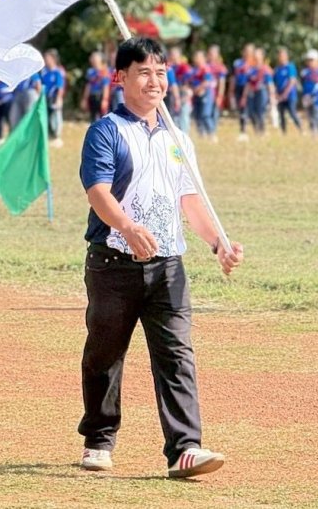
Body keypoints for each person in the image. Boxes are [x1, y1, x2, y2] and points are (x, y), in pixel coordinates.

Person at [77, 37, 242, 479]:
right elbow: (98, 192)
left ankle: (185, 448)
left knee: (176, 355)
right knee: (105, 354)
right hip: (113, 263)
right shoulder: (106, 131)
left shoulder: (178, 138)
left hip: (169, 266)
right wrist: (127, 228)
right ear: (120, 77)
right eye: (144, 72)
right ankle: (99, 438)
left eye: (161, 73)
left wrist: (218, 243)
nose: (154, 81)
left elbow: (191, 200)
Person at [241, 48, 273, 136]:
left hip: (262, 92)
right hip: (252, 93)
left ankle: (262, 131)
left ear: (262, 56)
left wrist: (272, 96)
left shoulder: (265, 69)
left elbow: (270, 84)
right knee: (251, 112)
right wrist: (244, 96)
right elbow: (248, 84)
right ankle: (256, 130)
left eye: (258, 54)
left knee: (260, 112)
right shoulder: (251, 69)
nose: (255, 56)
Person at [188, 50, 218, 142]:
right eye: (195, 57)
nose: (196, 59)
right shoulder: (193, 70)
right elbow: (190, 81)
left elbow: (207, 81)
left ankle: (212, 134)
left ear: (203, 58)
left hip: (206, 93)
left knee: (205, 114)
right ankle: (201, 134)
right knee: (197, 115)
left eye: (198, 57)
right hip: (196, 94)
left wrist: (198, 89)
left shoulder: (205, 68)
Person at [300, 50, 318, 135]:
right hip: (307, 96)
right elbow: (303, 83)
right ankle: (314, 133)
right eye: (308, 60)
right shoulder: (305, 72)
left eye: (312, 60)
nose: (310, 62)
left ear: (317, 60)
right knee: (310, 115)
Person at [273, 47, 301, 133]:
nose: (280, 58)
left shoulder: (290, 67)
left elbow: (292, 81)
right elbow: (274, 83)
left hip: (290, 95)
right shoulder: (277, 69)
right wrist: (277, 94)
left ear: (286, 56)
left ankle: (300, 129)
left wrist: (285, 94)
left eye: (282, 56)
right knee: (281, 114)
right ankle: (283, 132)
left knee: (292, 112)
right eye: (279, 56)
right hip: (280, 95)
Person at [42, 50, 67, 146]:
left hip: (54, 97)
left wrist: (58, 99)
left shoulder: (58, 72)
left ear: (53, 59)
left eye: (48, 58)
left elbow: (60, 87)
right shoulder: (45, 72)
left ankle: (57, 137)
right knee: (47, 116)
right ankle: (49, 135)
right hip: (46, 97)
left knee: (55, 116)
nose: (46, 60)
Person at [232, 44, 255, 140]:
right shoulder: (237, 63)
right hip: (239, 88)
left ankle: (256, 129)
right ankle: (243, 131)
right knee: (242, 110)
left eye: (250, 51)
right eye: (246, 51)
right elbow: (234, 77)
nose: (247, 53)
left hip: (249, 88)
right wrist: (231, 91)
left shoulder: (254, 63)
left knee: (249, 110)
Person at [167, 46, 192, 133]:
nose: (172, 56)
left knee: (183, 115)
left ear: (179, 55)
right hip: (173, 94)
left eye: (174, 54)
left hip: (183, 94)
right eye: (171, 54)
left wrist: (186, 94)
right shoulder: (170, 67)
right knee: (173, 116)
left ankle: (184, 135)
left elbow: (189, 83)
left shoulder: (184, 67)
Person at [83, 52, 112, 123]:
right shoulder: (90, 72)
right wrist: (85, 99)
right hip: (92, 96)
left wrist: (105, 100)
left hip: (100, 96)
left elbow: (106, 87)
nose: (92, 60)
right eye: (92, 58)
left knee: (103, 117)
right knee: (93, 117)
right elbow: (88, 86)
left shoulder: (105, 72)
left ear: (100, 60)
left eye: (95, 58)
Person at [206, 45, 227, 133]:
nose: (210, 55)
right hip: (206, 94)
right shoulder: (205, 66)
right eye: (209, 53)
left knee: (214, 114)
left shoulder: (221, 67)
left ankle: (212, 133)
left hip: (215, 94)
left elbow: (222, 83)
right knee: (206, 114)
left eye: (213, 53)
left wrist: (220, 96)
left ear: (217, 54)